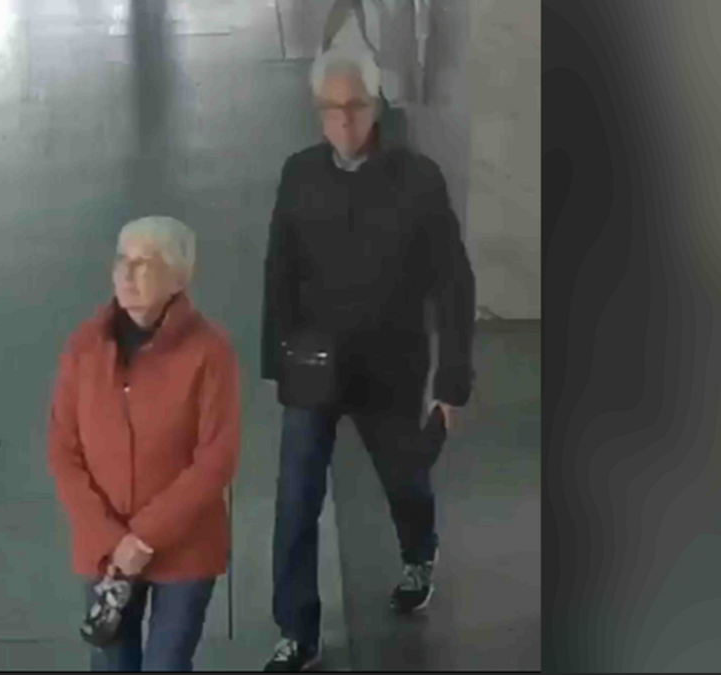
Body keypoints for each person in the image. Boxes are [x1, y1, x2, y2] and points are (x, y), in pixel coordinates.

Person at [260, 47, 475, 672]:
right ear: (318, 113)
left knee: (405, 478)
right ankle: (296, 632)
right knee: (296, 498)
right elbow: (280, 269)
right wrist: (280, 359)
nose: (344, 120)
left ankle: (418, 551)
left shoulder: (418, 178)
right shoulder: (299, 174)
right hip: (315, 365)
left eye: (354, 106)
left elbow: (453, 282)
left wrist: (453, 381)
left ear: (376, 105)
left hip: (392, 366)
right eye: (331, 109)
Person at [46, 216, 241, 672]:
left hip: (186, 548)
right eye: (122, 261)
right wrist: (113, 540)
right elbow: (62, 448)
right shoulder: (84, 347)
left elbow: (217, 457)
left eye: (145, 263)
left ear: (178, 277)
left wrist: (144, 538)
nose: (128, 275)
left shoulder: (211, 352)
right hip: (105, 551)